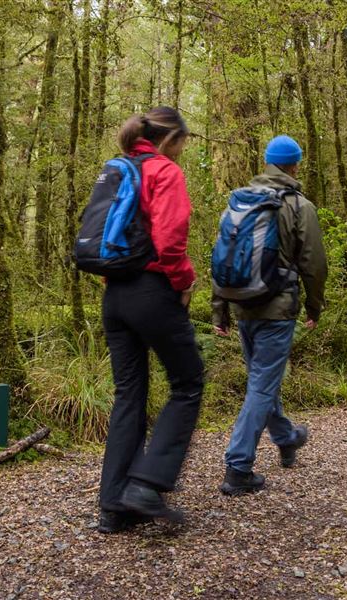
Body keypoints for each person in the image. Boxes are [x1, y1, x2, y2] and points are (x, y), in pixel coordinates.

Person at [96, 106, 203, 533]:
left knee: (129, 394)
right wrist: (184, 281)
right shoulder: (164, 171)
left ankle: (113, 506)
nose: (182, 152)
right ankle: (146, 483)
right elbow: (170, 239)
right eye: (183, 143)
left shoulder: (117, 169)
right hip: (152, 291)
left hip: (114, 294)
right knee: (188, 381)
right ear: (171, 139)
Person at [211, 135, 328, 496]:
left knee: (263, 379)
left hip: (242, 306)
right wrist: (314, 305)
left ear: (267, 163)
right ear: (294, 165)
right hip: (278, 310)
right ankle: (238, 465)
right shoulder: (297, 205)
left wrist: (220, 311)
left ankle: (287, 437)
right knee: (262, 384)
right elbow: (314, 263)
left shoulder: (238, 203)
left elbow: (221, 258)